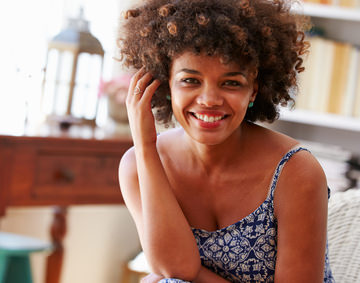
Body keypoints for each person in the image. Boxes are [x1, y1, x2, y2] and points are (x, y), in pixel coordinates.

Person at [117, 0, 335, 282]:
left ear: (253, 91)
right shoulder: (138, 165)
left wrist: (193, 276)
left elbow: (180, 275)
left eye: (231, 83)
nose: (209, 100)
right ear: (164, 83)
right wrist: (146, 147)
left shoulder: (296, 172)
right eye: (190, 80)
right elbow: (175, 268)